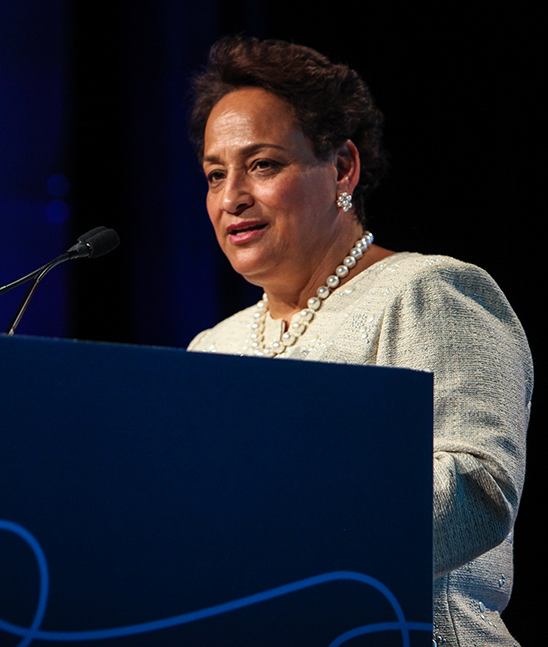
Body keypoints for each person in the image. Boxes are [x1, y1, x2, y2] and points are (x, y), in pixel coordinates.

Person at [186, 36, 532, 646]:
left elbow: (478, 493)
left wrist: (278, 511)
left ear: (342, 167)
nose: (232, 196)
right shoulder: (212, 348)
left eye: (262, 164)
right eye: (216, 174)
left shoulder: (427, 293)